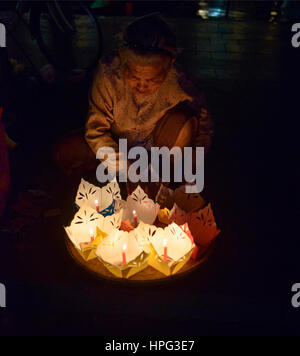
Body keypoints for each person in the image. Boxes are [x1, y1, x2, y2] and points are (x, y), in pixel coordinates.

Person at [55, 13, 213, 196]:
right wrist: (128, 168)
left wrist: (193, 160)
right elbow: (95, 131)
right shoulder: (108, 76)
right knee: (64, 152)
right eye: (134, 76)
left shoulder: (178, 82)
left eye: (152, 79)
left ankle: (160, 178)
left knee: (184, 121)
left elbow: (204, 124)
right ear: (124, 63)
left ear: (169, 65)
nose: (142, 85)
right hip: (116, 143)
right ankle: (111, 169)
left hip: (156, 148)